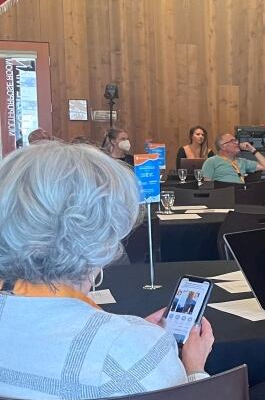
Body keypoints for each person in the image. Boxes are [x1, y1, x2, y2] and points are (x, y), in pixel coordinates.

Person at [0, 141, 214, 399]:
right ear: (106, 232)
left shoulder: (127, 344)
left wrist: (132, 336)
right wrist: (193, 372)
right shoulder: (125, 352)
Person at [201, 133, 265, 183]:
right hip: (222, 196)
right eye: (232, 141)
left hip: (240, 195)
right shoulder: (211, 161)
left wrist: (252, 150)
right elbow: (207, 185)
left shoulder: (243, 161)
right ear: (223, 146)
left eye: (236, 140)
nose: (237, 143)